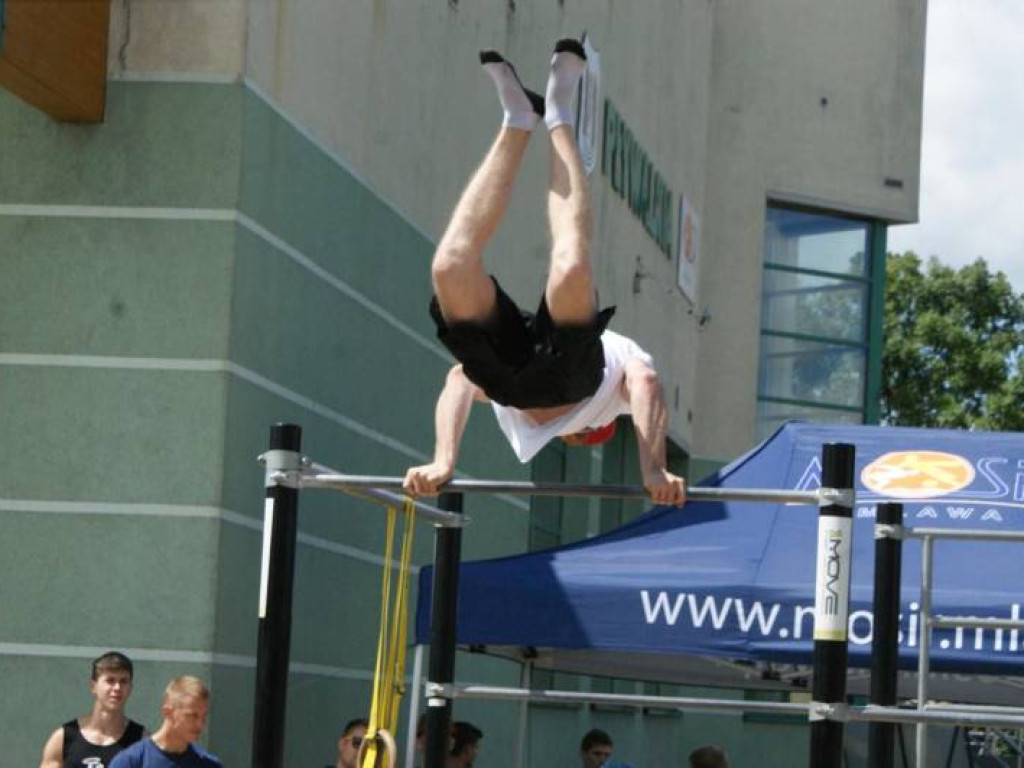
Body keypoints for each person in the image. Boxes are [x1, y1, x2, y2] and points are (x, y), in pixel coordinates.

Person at [403, 39, 686, 508]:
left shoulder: (514, 411)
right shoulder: (615, 379)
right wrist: (652, 465)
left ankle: (518, 121)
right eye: (582, 434)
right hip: (573, 367)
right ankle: (556, 117)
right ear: (598, 428)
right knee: (571, 263)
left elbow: (458, 380)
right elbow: (647, 384)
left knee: (450, 267)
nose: (571, 433)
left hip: (507, 377)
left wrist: (443, 460)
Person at [39, 651, 146, 768]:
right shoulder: (64, 739)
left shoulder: (142, 741)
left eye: (123, 681)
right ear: (93, 686)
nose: (117, 688)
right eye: (110, 680)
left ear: (130, 687)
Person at [109, 676, 221, 768]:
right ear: (168, 712)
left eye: (203, 716)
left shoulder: (209, 764)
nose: (200, 725)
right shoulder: (131, 762)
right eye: (192, 716)